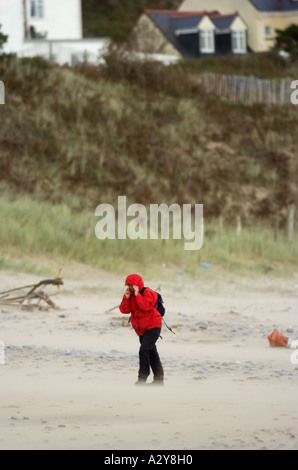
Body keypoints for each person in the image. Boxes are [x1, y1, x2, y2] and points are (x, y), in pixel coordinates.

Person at [119, 273, 164, 386]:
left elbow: (146, 307)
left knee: (144, 350)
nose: (129, 288)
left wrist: (137, 294)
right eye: (127, 285)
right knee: (151, 352)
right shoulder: (132, 295)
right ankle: (159, 380)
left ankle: (142, 378)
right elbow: (124, 310)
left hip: (153, 326)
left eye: (131, 285)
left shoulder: (149, 293)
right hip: (142, 329)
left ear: (137, 285)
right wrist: (126, 298)